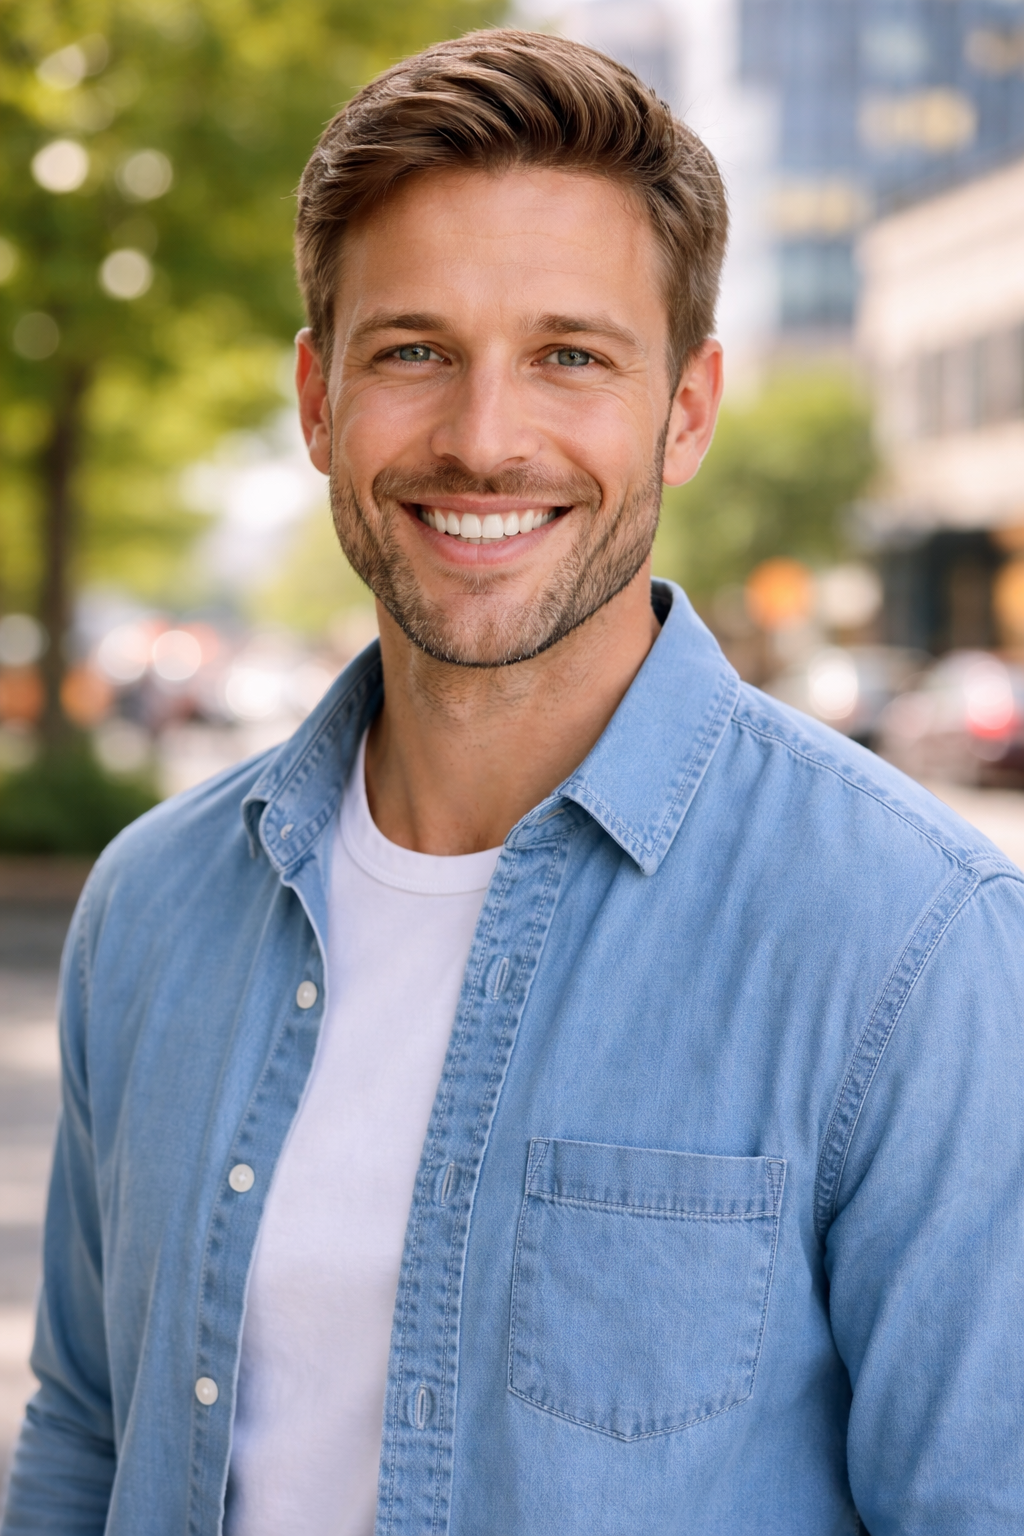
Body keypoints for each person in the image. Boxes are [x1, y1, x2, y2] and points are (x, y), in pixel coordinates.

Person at [3, 28, 1023, 1536]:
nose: (485, 441)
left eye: (571, 356)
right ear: (317, 399)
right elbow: (86, 1437)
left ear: (685, 407)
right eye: (413, 351)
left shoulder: (916, 944)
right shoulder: (152, 906)